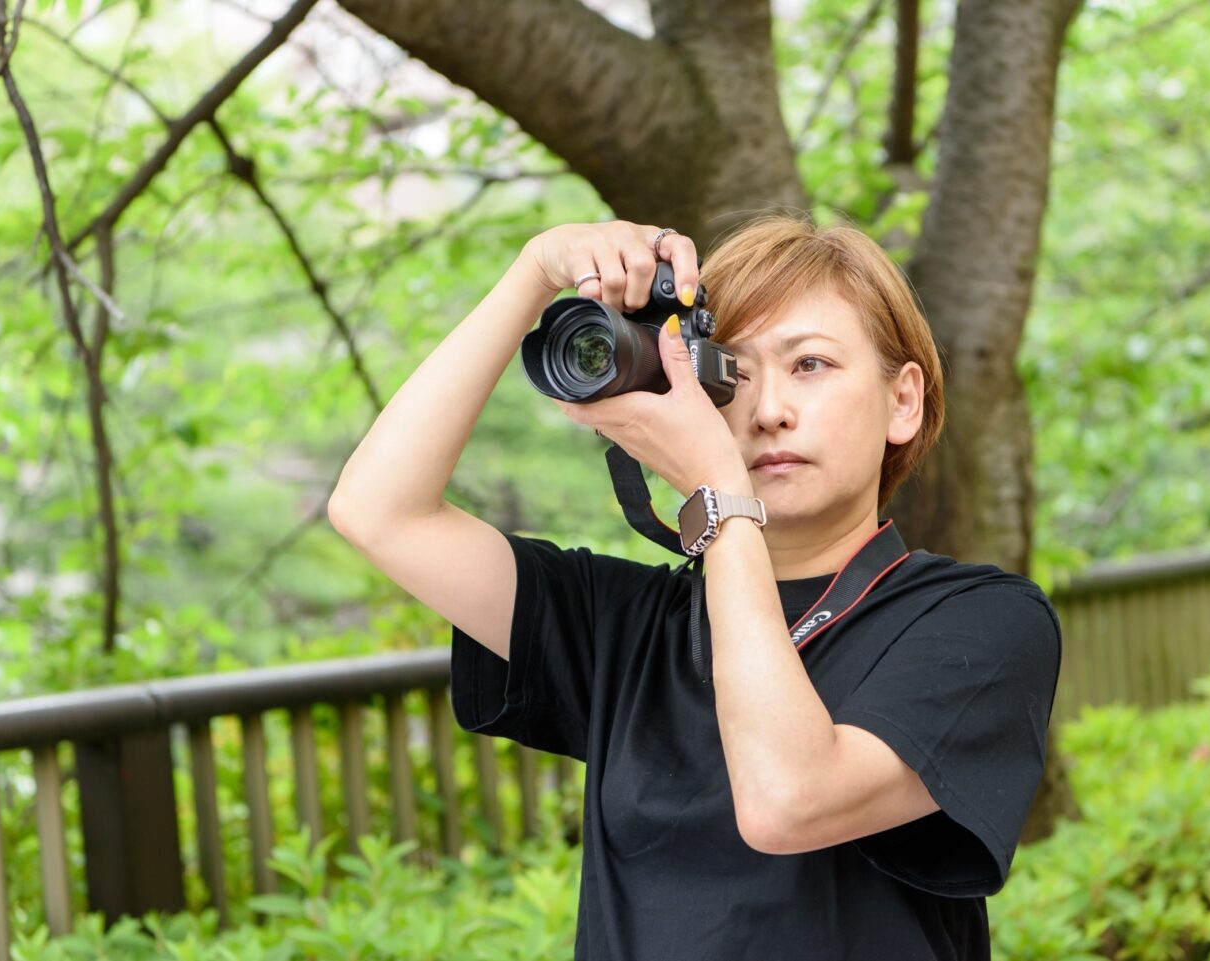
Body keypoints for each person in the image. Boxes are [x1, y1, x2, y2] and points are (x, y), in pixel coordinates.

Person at [327, 214, 1062, 961]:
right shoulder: (625, 625)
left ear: (903, 401)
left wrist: (719, 496)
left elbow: (787, 801)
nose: (769, 410)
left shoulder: (981, 622)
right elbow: (378, 510)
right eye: (732, 371)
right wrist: (534, 272)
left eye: (810, 364)